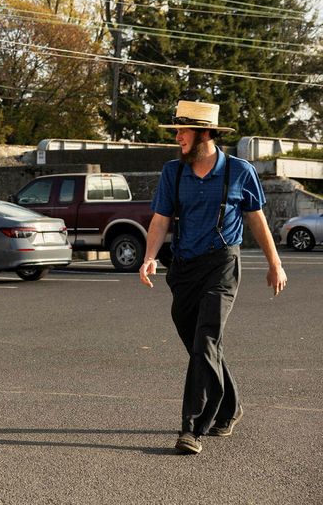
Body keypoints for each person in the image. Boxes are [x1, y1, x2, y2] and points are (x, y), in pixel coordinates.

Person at [139, 99, 286, 455]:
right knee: (202, 346)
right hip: (185, 269)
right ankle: (231, 406)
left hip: (222, 265)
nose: (177, 137)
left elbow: (256, 219)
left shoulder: (239, 170)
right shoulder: (172, 172)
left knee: (206, 341)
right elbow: (161, 220)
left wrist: (275, 263)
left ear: (205, 132)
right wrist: (148, 258)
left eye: (182, 130)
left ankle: (192, 428)